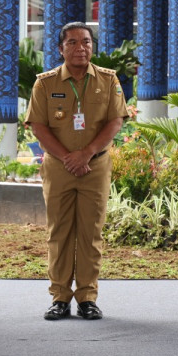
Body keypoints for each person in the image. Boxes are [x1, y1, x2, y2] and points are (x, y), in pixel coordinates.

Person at [27, 22, 129, 322]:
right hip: (59, 168)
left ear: (92, 46)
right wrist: (67, 157)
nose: (80, 48)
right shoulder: (44, 84)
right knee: (59, 232)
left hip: (95, 166)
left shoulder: (108, 81)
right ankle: (59, 297)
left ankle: (87, 297)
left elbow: (115, 122)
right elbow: (38, 126)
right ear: (61, 48)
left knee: (90, 232)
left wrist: (85, 154)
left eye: (85, 42)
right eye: (72, 43)